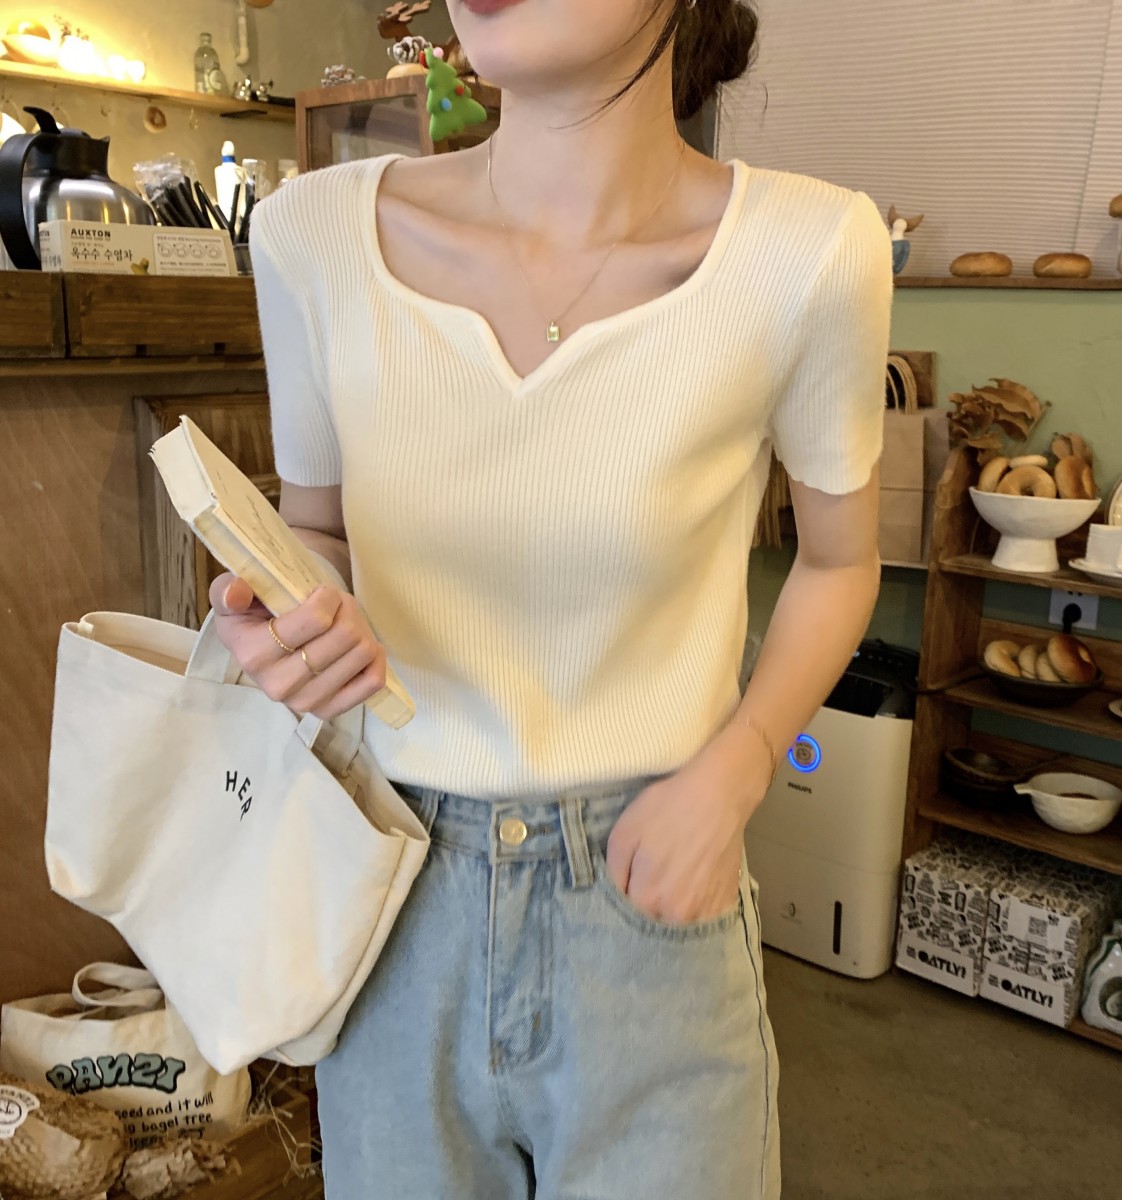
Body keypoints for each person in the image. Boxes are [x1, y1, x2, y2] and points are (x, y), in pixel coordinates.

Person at [214, 0, 892, 1195]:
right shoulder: (311, 235)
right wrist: (291, 616)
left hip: (653, 896)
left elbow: (841, 561)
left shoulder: (808, 249)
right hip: (391, 889)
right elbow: (317, 527)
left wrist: (739, 768)